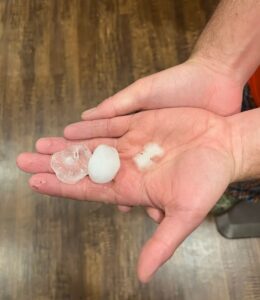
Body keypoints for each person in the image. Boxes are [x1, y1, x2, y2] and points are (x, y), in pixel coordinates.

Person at [17, 0, 260, 283]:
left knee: (244, 179)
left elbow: (233, 146)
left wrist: (237, 145)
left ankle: (238, 189)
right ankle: (235, 186)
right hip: (247, 77)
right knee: (237, 126)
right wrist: (220, 65)